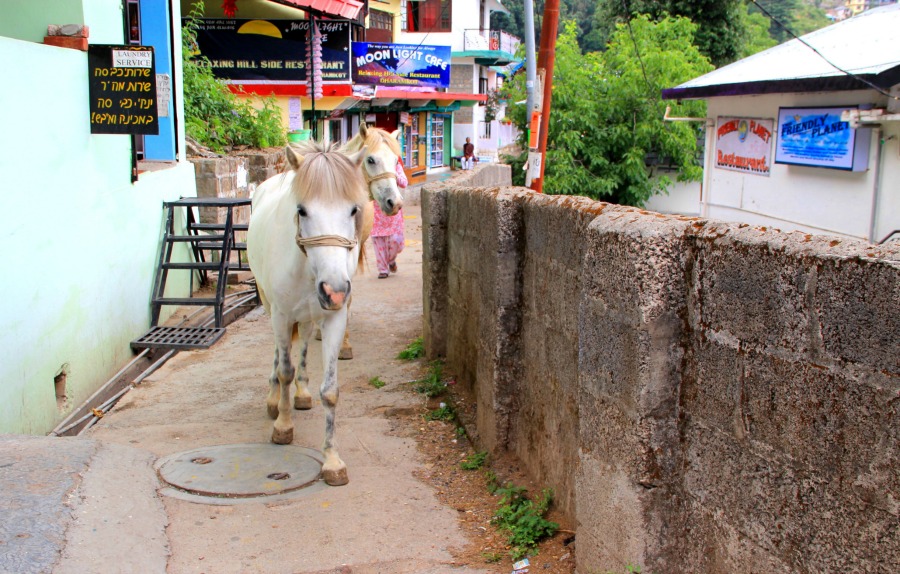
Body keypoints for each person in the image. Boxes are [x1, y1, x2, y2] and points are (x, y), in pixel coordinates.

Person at [371, 159, 408, 279]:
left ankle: (391, 260)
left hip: (393, 208)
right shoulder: (373, 167)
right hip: (378, 209)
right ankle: (383, 269)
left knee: (396, 241)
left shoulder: (396, 166)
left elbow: (404, 183)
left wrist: (393, 174)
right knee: (379, 241)